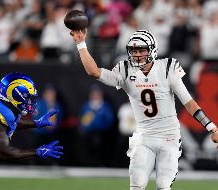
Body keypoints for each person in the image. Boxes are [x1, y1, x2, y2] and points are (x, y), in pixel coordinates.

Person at [70, 29, 218, 190]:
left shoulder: (167, 68)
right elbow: (94, 71)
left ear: (152, 50)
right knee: (137, 185)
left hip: (169, 137)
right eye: (134, 51)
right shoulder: (125, 70)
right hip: (144, 137)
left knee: (163, 186)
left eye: (142, 50)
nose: (138, 54)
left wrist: (211, 127)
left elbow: (189, 103)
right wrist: (81, 44)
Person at [0, 72, 63, 190]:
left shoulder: (5, 107)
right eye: (27, 97)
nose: (30, 102)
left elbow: (9, 123)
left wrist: (36, 123)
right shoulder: (1, 112)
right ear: (16, 95)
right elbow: (3, 152)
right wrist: (37, 152)